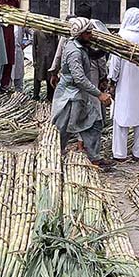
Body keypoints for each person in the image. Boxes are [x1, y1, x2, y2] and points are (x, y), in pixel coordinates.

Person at [51, 17, 114, 168]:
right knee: (62, 128)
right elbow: (79, 78)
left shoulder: (81, 45)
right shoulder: (74, 52)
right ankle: (54, 155)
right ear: (80, 34)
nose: (91, 35)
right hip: (69, 95)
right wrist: (99, 94)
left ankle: (95, 157)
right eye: (88, 33)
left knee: (93, 123)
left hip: (78, 94)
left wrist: (109, 45)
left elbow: (94, 55)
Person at [109, 8, 139, 161]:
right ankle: (138, 153)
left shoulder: (122, 36)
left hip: (124, 83)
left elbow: (115, 63)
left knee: (122, 116)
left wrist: (112, 80)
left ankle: (120, 154)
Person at [0, 0, 20, 90]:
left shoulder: (15, 1)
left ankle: (5, 84)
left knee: (9, 58)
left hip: (9, 32)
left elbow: (18, 16)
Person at [32, 29, 58, 101]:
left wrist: (56, 62)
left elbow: (57, 47)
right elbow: (34, 46)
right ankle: (35, 96)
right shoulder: (37, 32)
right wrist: (34, 60)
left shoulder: (54, 33)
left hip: (51, 59)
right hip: (40, 59)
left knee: (50, 78)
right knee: (37, 78)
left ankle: (50, 97)